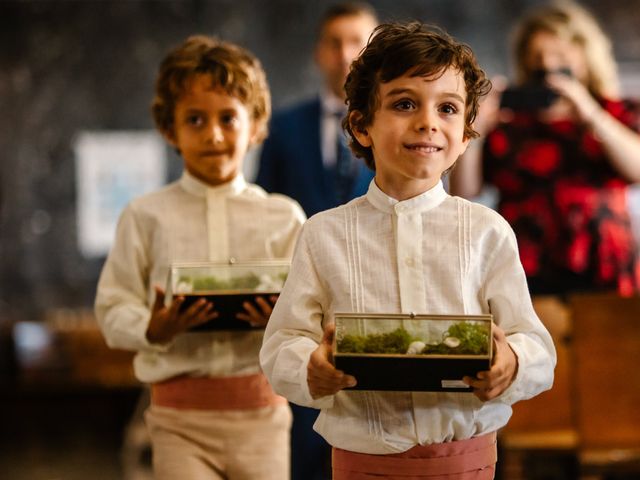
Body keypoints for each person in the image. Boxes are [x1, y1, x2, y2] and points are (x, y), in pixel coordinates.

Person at [260, 21, 556, 479]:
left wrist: (511, 364)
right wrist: (311, 369)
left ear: (467, 132)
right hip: (362, 465)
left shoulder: (486, 231)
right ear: (361, 125)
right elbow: (282, 344)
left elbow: (535, 344)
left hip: (468, 464)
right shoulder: (323, 234)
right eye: (404, 104)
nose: (428, 122)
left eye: (448, 108)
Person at [95, 35, 306, 480]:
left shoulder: (283, 216)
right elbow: (112, 308)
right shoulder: (144, 215)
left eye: (228, 118)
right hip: (176, 420)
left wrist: (281, 317)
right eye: (195, 119)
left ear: (256, 125)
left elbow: (312, 312)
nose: (213, 134)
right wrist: (151, 327)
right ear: (170, 129)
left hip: (263, 417)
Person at [449, 1, 640, 296]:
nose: (548, 66)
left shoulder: (616, 112)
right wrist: (476, 132)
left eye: (559, 56)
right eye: (538, 56)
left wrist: (590, 114)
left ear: (586, 57)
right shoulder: (510, 124)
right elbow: (464, 193)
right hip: (524, 266)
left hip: (603, 263)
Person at [255, 1, 379, 217]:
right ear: (318, 52)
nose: (344, 55)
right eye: (334, 43)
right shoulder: (283, 127)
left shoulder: (397, 126)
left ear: (377, 53)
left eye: (356, 42)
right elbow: (265, 207)